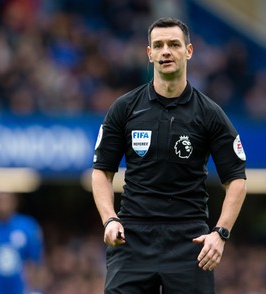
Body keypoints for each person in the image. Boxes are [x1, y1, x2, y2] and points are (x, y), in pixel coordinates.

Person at [91, 17, 247, 293]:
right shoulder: (124, 108)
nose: (166, 51)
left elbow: (236, 178)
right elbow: (102, 171)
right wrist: (109, 218)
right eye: (158, 45)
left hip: (190, 240)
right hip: (133, 237)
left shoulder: (210, 113)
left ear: (188, 51)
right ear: (149, 54)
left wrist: (220, 233)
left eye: (174, 44)